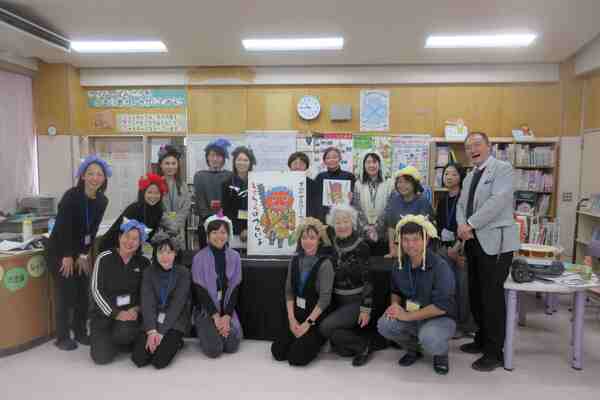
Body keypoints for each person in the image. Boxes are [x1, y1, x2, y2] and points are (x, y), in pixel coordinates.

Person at [456, 131, 519, 372]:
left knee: (492, 298)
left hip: (496, 244)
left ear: (489, 146)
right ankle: (481, 339)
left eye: (477, 144)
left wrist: (470, 224)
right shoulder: (470, 175)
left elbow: (498, 202)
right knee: (476, 294)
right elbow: (461, 205)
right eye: (468, 146)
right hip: (472, 241)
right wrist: (462, 227)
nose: (472, 149)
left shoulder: (502, 169)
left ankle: (494, 352)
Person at [45, 155, 110, 351]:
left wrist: (83, 254)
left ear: (104, 178)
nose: (95, 178)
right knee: (66, 292)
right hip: (59, 250)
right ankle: (62, 337)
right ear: (82, 176)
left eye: (99, 174)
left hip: (80, 251)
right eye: (90, 174)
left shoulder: (102, 200)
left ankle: (80, 331)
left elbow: (93, 229)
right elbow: (62, 227)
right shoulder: (71, 196)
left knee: (82, 292)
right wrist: (66, 255)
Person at [377, 215, 456, 375]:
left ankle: (440, 353)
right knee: (385, 324)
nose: (410, 244)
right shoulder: (399, 264)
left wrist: (406, 316)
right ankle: (413, 349)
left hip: (440, 318)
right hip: (412, 315)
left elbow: (442, 306)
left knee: (429, 337)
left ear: (426, 240)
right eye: (406, 240)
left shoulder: (440, 266)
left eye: (415, 239)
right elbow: (395, 291)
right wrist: (395, 306)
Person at [271, 218, 335, 366]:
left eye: (312, 238)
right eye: (304, 237)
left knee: (296, 358)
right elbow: (289, 292)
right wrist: (291, 320)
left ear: (319, 240)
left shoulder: (325, 264)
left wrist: (307, 324)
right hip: (298, 314)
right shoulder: (294, 260)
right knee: (277, 352)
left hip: (315, 318)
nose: (307, 241)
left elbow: (325, 299)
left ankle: (321, 340)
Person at [319, 205, 374, 367]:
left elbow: (368, 280)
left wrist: (365, 308)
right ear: (332, 224)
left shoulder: (362, 246)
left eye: (346, 221)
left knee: (325, 328)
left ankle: (364, 346)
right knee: (341, 348)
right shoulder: (333, 243)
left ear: (352, 222)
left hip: (356, 301)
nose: (342, 225)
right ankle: (359, 342)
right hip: (337, 301)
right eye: (338, 222)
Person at [90, 219, 150, 365]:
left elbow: (146, 292)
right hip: (105, 314)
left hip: (130, 314)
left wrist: (137, 309)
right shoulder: (104, 258)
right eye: (127, 237)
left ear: (140, 242)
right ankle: (109, 341)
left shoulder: (143, 262)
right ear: (119, 237)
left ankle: (123, 339)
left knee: (124, 334)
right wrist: (116, 313)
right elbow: (96, 290)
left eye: (135, 239)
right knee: (101, 358)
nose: (130, 242)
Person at [132, 231, 191, 369]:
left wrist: (161, 333)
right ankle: (162, 339)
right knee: (139, 359)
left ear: (175, 254)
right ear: (155, 253)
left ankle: (177, 341)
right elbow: (147, 303)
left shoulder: (183, 272)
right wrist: (152, 331)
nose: (165, 256)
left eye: (169, 252)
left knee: (159, 361)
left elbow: (177, 305)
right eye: (161, 252)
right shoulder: (148, 272)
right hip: (153, 318)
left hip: (175, 319)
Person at [191, 212, 243, 358]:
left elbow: (235, 289)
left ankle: (219, 330)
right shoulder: (199, 258)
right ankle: (207, 329)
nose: (219, 236)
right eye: (214, 232)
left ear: (228, 235)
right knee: (214, 350)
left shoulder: (235, 257)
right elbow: (200, 291)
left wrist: (226, 316)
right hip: (206, 310)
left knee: (231, 346)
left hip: (225, 309)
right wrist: (215, 317)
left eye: (223, 232)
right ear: (208, 235)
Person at [435, 162, 476, 337]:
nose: (449, 177)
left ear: (461, 177)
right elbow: (439, 226)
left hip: (461, 249)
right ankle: (451, 324)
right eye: (446, 174)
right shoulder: (442, 200)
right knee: (448, 288)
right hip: (444, 250)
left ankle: (465, 325)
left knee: (463, 288)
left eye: (453, 174)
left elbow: (469, 226)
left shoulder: (466, 199)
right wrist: (446, 249)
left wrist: (456, 248)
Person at [99, 173, 171, 253]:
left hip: (134, 249)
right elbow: (122, 235)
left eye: (157, 193)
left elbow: (149, 236)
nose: (153, 196)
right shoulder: (134, 209)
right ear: (143, 193)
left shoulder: (159, 211)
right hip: (114, 248)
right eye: (149, 192)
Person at [383, 166, 434, 258]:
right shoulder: (394, 200)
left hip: (419, 249)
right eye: (399, 182)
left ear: (414, 184)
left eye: (406, 182)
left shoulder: (423, 201)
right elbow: (391, 227)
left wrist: (420, 251)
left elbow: (428, 230)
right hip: (400, 247)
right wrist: (392, 249)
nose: (402, 185)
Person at [193, 138, 233, 249]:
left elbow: (230, 202)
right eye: (212, 155)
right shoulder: (199, 176)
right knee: (206, 255)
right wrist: (210, 221)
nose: (215, 159)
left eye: (219, 156)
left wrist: (222, 219)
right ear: (207, 157)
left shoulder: (230, 176)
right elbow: (200, 201)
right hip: (205, 224)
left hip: (224, 225)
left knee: (224, 255)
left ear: (223, 158)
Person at [353, 151, 393, 256]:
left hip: (384, 234)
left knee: (382, 262)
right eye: (368, 162)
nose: (371, 165)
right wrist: (367, 228)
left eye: (374, 162)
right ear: (363, 165)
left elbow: (389, 207)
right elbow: (356, 207)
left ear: (380, 164)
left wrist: (377, 227)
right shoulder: (358, 184)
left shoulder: (389, 183)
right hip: (363, 234)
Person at [156, 145, 191, 249]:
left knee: (177, 255)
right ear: (161, 165)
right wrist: (170, 223)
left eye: (173, 163)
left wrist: (176, 224)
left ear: (177, 165)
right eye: (167, 163)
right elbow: (155, 208)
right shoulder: (155, 184)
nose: (170, 167)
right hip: (161, 230)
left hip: (178, 231)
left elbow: (186, 208)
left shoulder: (183, 185)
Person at [221, 146, 256, 249]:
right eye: (239, 159)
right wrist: (240, 229)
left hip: (255, 230)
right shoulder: (227, 183)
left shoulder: (257, 182)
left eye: (245, 160)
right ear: (234, 162)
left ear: (250, 163)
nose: (242, 163)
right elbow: (226, 210)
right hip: (235, 231)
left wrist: (249, 229)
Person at [314, 146, 356, 223]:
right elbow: (316, 198)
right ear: (324, 161)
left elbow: (355, 198)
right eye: (328, 158)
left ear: (340, 159)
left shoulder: (349, 176)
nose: (331, 160)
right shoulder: (320, 177)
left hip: (343, 218)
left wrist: (352, 197)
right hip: (323, 217)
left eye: (334, 157)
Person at [288, 151, 318, 218]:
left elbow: (315, 206)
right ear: (290, 166)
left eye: (301, 164)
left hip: (306, 219)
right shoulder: (283, 182)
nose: (298, 167)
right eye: (295, 163)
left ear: (306, 167)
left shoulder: (313, 184)